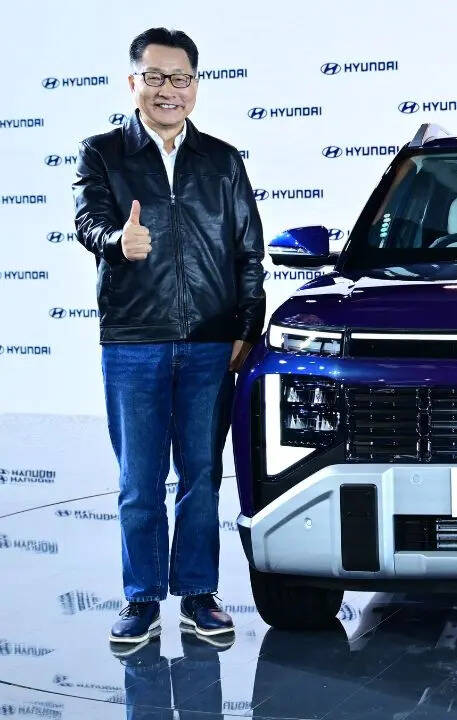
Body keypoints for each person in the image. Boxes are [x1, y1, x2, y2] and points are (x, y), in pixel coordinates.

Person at [73, 27, 265, 645]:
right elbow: (88, 221)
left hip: (211, 341)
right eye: (154, 77)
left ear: (195, 85)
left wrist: (247, 327)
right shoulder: (103, 153)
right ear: (134, 82)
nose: (168, 90)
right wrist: (116, 241)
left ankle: (199, 593)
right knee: (139, 481)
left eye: (180, 78)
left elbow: (249, 251)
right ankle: (141, 598)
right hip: (135, 340)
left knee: (201, 476)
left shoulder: (223, 160)